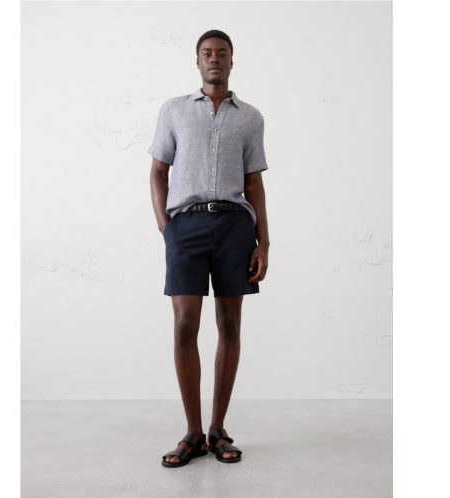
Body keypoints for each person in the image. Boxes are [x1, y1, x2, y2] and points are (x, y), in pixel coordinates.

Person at [148, 29, 270, 468]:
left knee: (229, 325)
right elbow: (158, 170)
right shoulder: (174, 110)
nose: (214, 59)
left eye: (222, 53)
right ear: (197, 62)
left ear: (232, 62)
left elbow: (254, 183)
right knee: (185, 325)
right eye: (207, 53)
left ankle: (217, 430)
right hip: (187, 225)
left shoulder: (250, 117)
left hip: (236, 226)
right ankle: (193, 433)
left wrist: (264, 242)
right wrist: (167, 228)